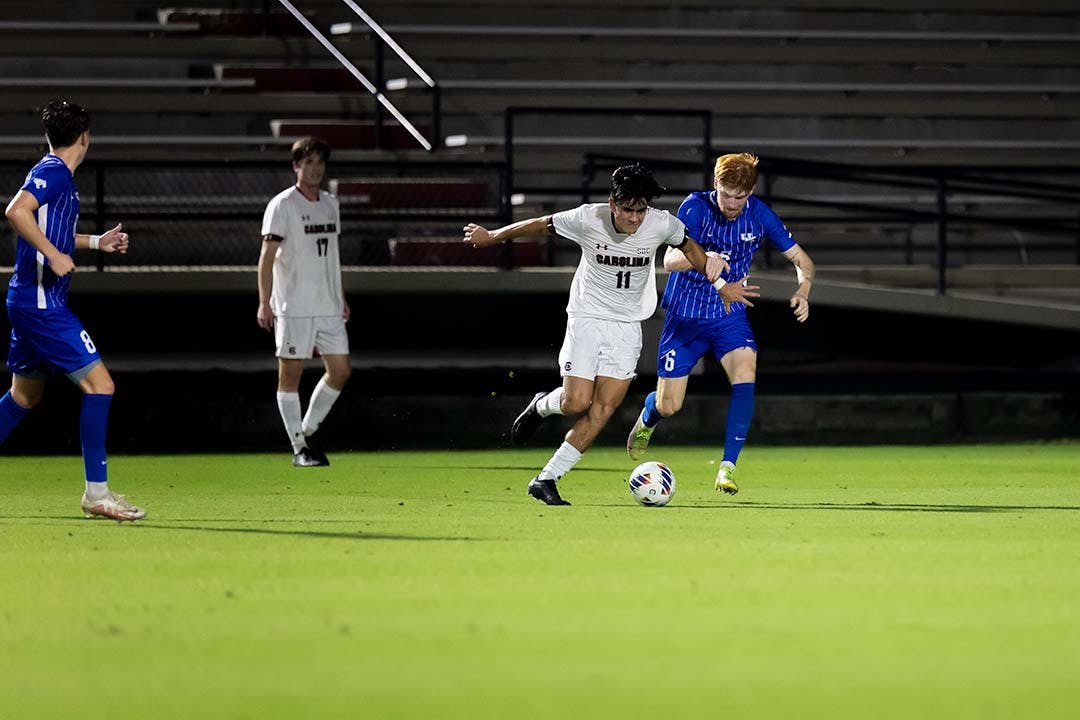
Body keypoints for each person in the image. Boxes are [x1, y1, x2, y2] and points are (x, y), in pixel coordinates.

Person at [463, 163, 727, 506]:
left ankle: (547, 478)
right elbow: (541, 224)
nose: (635, 218)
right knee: (576, 403)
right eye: (628, 209)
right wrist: (493, 236)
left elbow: (689, 246)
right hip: (587, 318)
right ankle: (542, 405)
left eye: (641, 210)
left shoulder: (661, 223)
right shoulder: (588, 218)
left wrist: (719, 283)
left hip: (628, 326)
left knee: (603, 409)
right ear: (613, 204)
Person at [626, 152, 815, 494]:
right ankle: (649, 414)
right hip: (686, 316)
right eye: (726, 194)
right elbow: (669, 260)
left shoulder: (759, 215)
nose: (731, 203)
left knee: (745, 371)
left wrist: (803, 289)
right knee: (670, 406)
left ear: (750, 192)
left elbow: (802, 260)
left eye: (739, 197)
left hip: (729, 314)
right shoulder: (695, 208)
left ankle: (727, 468)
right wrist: (703, 256)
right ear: (715, 184)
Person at [0, 99, 143, 521]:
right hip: (42, 304)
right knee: (101, 386)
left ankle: (97, 493)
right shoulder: (54, 172)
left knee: (24, 397)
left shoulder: (57, 176)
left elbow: (51, 230)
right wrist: (52, 254)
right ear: (85, 137)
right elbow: (16, 212)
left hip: (30, 301)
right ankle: (96, 494)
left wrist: (96, 242)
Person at [257, 137, 351, 467]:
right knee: (290, 376)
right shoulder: (282, 205)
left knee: (340, 371)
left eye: (320, 162)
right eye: (308, 162)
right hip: (293, 305)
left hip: (328, 305)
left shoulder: (330, 203)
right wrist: (264, 302)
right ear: (296, 166)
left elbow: (331, 256)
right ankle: (299, 448)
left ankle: (305, 431)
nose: (315, 169)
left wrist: (340, 295)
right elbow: (267, 257)